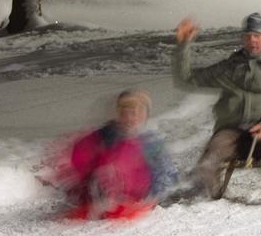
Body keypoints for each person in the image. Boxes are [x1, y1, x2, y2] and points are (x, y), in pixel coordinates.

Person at [173, 12, 261, 199]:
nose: (252, 40)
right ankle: (205, 190)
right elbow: (187, 78)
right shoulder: (230, 67)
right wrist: (182, 46)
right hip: (230, 133)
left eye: (257, 36)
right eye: (247, 36)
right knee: (212, 154)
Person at [51, 89, 177, 219]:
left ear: (145, 116)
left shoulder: (151, 143)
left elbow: (166, 173)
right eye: (125, 112)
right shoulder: (104, 136)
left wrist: (153, 194)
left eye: (138, 112)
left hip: (135, 197)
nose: (131, 117)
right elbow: (80, 157)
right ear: (119, 114)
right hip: (100, 195)